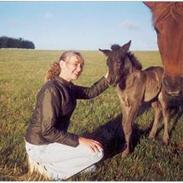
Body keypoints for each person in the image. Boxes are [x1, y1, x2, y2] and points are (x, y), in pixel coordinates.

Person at [24, 50, 109, 180]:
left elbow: (90, 92)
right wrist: (80, 140)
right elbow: (47, 131)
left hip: (52, 141)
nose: (79, 69)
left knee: (92, 167)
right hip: (40, 145)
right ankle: (47, 170)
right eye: (75, 64)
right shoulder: (51, 90)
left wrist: (109, 77)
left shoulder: (68, 86)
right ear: (62, 64)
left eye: (81, 65)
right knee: (97, 154)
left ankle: (53, 164)